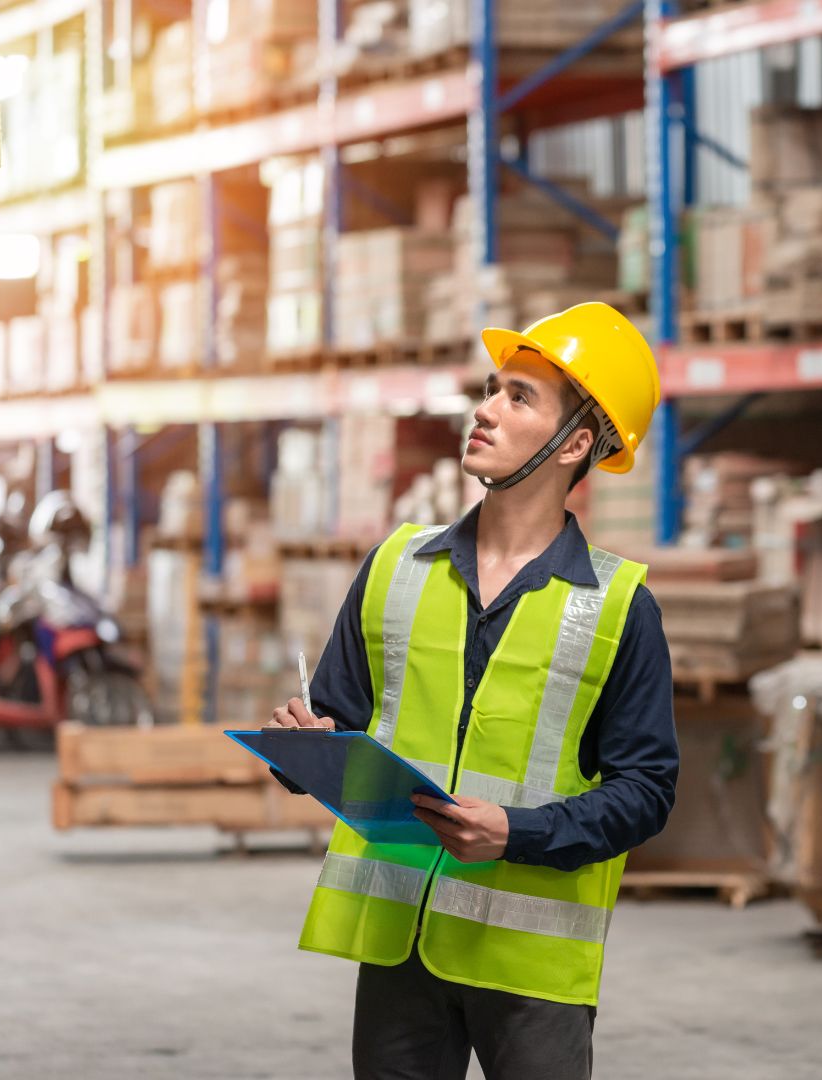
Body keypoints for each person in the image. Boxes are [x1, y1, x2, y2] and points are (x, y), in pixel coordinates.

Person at [269, 302, 678, 1080]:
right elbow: (337, 722)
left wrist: (515, 832)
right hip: (399, 945)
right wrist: (302, 751)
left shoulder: (620, 607)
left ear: (577, 444)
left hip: (528, 965)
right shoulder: (397, 566)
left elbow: (648, 791)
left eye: (519, 397)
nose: (485, 410)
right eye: (492, 388)